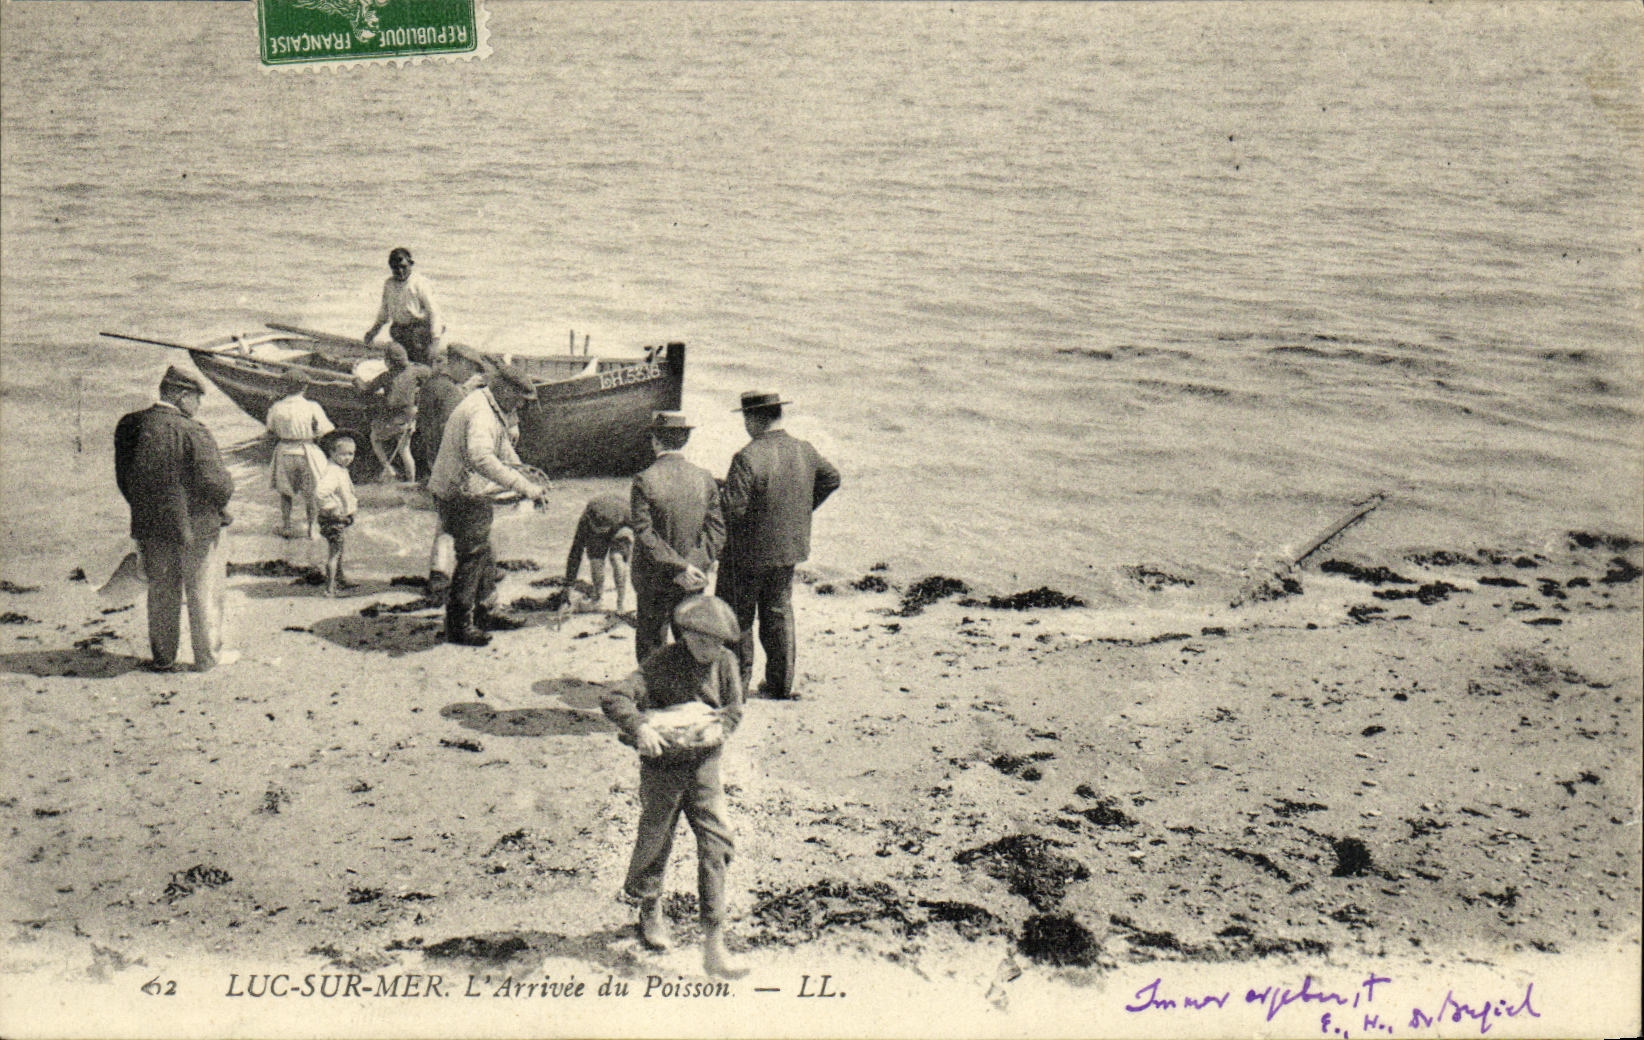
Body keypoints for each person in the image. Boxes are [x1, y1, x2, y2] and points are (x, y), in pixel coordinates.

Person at [601, 594, 747, 980]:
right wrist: (641, 728)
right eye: (701, 642)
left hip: (704, 765)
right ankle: (649, 909)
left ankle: (714, 943)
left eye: (717, 644)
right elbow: (614, 697)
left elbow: (734, 708)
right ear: (684, 635)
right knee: (656, 837)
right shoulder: (661, 663)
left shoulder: (726, 663)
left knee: (716, 843)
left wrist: (720, 727)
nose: (709, 651)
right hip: (662, 768)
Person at [715, 391, 841, 700]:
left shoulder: (747, 456)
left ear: (752, 419)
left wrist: (717, 495)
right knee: (778, 612)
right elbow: (832, 479)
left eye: (746, 420)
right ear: (778, 416)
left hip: (746, 553)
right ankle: (780, 685)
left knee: (738, 618)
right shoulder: (805, 450)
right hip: (787, 547)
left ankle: (737, 689)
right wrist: (799, 509)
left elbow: (733, 510)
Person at [113, 365, 236, 673]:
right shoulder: (193, 430)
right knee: (202, 590)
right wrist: (219, 504)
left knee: (161, 591)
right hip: (196, 526)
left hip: (151, 523)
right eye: (197, 398)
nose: (198, 406)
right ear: (183, 396)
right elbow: (217, 484)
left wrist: (144, 508)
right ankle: (206, 658)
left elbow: (125, 478)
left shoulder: (130, 424)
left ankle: (164, 658)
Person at [425, 362, 551, 646]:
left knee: (485, 551)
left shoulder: (489, 405)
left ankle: (487, 610)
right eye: (518, 397)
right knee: (472, 556)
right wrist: (524, 487)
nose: (520, 404)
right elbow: (481, 457)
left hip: (464, 488)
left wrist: (522, 470)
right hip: (460, 492)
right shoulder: (480, 411)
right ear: (503, 389)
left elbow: (501, 447)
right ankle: (459, 624)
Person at [629, 411, 725, 665]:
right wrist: (692, 565)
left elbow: (644, 533)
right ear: (685, 440)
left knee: (651, 643)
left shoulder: (644, 479)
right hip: (693, 577)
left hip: (653, 576)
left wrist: (678, 566)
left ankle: (654, 697)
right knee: (691, 641)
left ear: (655, 441)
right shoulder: (704, 478)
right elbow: (716, 531)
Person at [417, 344, 490, 605]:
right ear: (457, 362)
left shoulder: (431, 385)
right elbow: (456, 431)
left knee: (448, 519)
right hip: (450, 464)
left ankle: (449, 574)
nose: (470, 375)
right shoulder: (450, 392)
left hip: (433, 460)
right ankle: (441, 577)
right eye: (469, 369)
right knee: (455, 522)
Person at [263, 371, 333, 538]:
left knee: (285, 493)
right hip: (306, 449)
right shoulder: (312, 406)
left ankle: (287, 526)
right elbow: (324, 430)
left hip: (285, 450)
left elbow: (270, 431)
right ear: (305, 387)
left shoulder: (276, 407)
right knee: (311, 493)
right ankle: (312, 528)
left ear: (285, 387)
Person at [358, 341, 430, 484]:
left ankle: (387, 467)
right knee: (404, 450)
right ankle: (411, 481)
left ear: (389, 362)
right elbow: (428, 374)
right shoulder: (416, 371)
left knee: (375, 438)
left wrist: (356, 379)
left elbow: (367, 389)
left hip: (391, 418)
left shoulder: (386, 376)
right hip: (408, 418)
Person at [362, 247, 444, 366]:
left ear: (410, 264)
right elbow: (384, 312)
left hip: (420, 331)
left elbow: (435, 312)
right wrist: (373, 332)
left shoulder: (420, 283)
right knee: (399, 361)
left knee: (422, 364)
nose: (400, 271)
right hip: (399, 330)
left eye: (403, 267)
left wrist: (435, 342)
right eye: (395, 268)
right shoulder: (389, 284)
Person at [563, 492, 634, 613]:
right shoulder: (586, 521)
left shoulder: (628, 514)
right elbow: (575, 552)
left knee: (617, 558)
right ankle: (597, 599)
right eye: (599, 530)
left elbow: (646, 535)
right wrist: (568, 588)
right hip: (611, 519)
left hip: (620, 523)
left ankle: (620, 603)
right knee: (596, 560)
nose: (603, 534)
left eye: (604, 530)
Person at [313, 430, 360, 597]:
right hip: (334, 518)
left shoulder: (339, 468)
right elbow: (320, 493)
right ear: (332, 453)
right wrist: (333, 509)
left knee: (338, 549)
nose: (348, 458)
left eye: (351, 454)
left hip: (338, 518)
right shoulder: (333, 472)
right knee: (334, 553)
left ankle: (339, 579)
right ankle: (330, 588)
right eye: (343, 454)